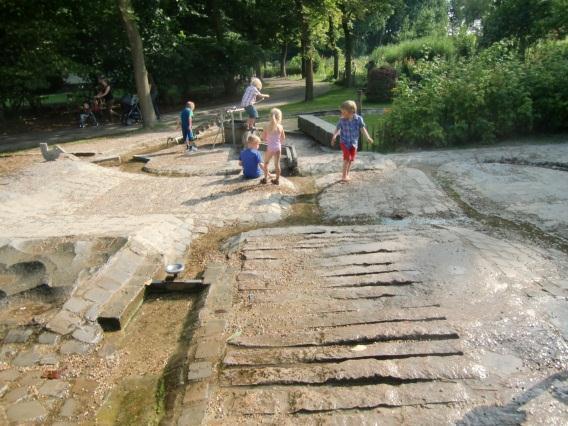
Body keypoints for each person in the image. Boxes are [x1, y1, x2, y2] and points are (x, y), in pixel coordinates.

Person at [331, 100, 374, 182]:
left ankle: (347, 174)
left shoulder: (358, 119)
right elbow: (337, 128)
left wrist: (367, 137)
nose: (342, 114)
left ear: (352, 111)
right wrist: (334, 136)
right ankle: (343, 176)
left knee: (350, 159)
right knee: (346, 158)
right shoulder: (342, 120)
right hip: (344, 142)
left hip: (354, 143)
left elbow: (362, 129)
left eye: (344, 112)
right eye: (341, 112)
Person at [261, 108, 285, 185]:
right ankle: (277, 180)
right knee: (277, 164)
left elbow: (263, 138)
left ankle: (265, 179)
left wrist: (267, 139)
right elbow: (283, 138)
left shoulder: (266, 126)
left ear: (270, 116)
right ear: (279, 117)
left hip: (270, 148)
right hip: (278, 147)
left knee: (266, 163)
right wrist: (278, 143)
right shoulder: (280, 127)